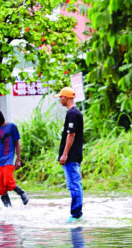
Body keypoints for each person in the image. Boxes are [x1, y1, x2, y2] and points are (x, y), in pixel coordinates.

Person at [56, 86, 84, 223]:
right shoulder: (75, 112)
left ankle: (76, 214)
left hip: (71, 156)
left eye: (60, 97)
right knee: (74, 183)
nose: (59, 100)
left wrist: (65, 154)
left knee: (74, 184)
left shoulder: (72, 113)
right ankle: (76, 212)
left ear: (65, 98)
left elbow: (71, 134)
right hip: (74, 155)